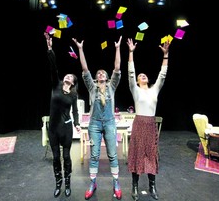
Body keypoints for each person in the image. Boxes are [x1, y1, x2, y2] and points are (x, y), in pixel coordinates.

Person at [72, 36, 123, 200]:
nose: (100, 73)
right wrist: (80, 49)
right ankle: (93, 183)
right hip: (94, 124)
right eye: (98, 73)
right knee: (93, 155)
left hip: (109, 123)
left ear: (107, 77)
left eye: (103, 73)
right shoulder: (92, 87)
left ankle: (116, 183)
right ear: (96, 78)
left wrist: (117, 48)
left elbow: (117, 68)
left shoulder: (112, 86)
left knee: (113, 155)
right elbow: (85, 69)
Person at [126, 38, 170, 200]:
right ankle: (135, 186)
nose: (142, 76)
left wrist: (166, 55)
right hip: (139, 124)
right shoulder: (135, 90)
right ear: (137, 81)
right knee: (137, 154)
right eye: (140, 75)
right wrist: (131, 53)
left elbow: (162, 74)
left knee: (151, 154)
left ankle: (152, 186)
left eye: (144, 75)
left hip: (150, 125)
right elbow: (131, 73)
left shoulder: (154, 90)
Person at [44, 32, 81, 198]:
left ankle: (68, 182)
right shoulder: (55, 85)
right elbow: (53, 68)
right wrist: (50, 48)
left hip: (66, 129)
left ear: (73, 82)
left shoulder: (73, 95)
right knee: (56, 157)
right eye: (66, 75)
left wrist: (77, 123)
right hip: (53, 128)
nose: (67, 76)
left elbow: (75, 110)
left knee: (66, 157)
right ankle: (58, 183)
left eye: (70, 77)